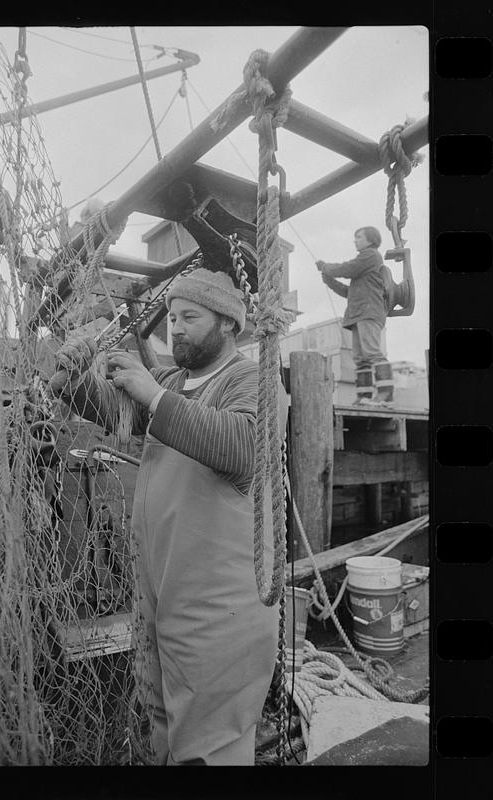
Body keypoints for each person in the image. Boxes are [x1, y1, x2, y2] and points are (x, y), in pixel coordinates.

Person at [48, 267, 289, 765]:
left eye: (190, 317)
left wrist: (152, 394)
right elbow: (110, 407)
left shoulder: (251, 379)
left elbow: (243, 447)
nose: (175, 328)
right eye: (173, 317)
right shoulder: (173, 379)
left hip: (219, 603)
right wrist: (73, 379)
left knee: (211, 738)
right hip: (160, 592)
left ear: (228, 324)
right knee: (161, 717)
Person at [316, 226, 395, 403]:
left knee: (372, 353)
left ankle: (386, 396)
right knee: (361, 358)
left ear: (370, 240)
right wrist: (329, 280)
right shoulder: (365, 266)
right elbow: (348, 291)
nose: (355, 240)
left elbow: (348, 268)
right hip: (361, 314)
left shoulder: (371, 255)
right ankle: (364, 396)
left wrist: (326, 268)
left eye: (359, 237)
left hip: (367, 313)